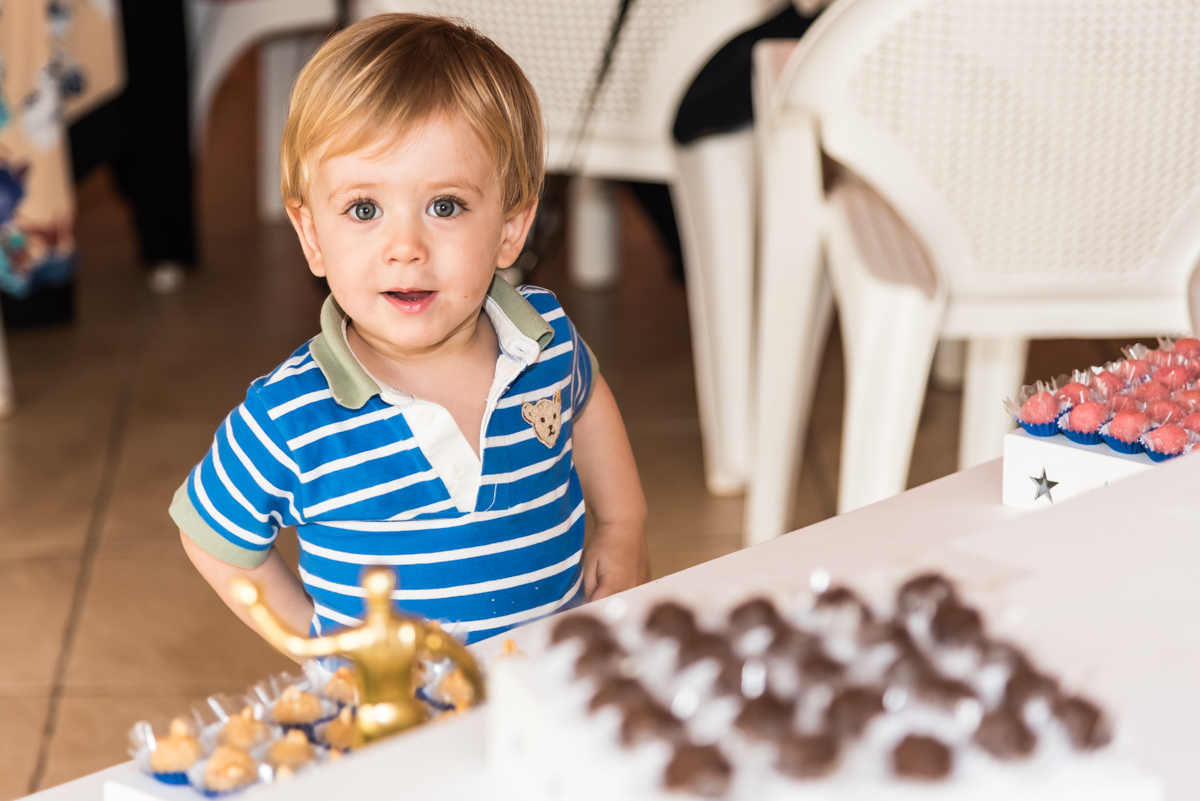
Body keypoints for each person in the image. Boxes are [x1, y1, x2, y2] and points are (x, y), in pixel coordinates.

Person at [171, 14, 649, 646]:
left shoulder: (545, 339)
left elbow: (584, 402)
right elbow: (211, 535)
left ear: (510, 227)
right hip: (393, 732)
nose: (406, 247)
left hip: (549, 694)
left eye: (444, 206)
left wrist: (623, 525)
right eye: (364, 209)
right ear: (313, 235)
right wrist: (317, 646)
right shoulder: (289, 415)